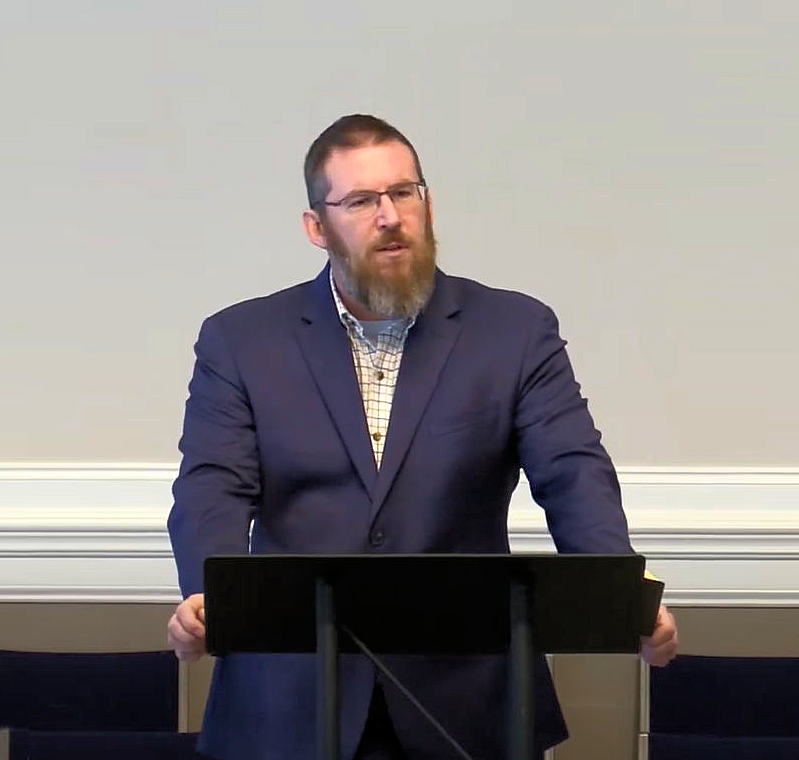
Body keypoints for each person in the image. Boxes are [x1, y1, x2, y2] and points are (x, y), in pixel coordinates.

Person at [164, 114, 678, 760]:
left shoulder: (513, 330)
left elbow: (572, 470)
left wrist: (619, 592)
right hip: (291, 705)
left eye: (404, 193)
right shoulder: (242, 341)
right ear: (315, 228)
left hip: (466, 702)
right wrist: (208, 594)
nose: (389, 216)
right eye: (360, 201)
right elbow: (213, 482)